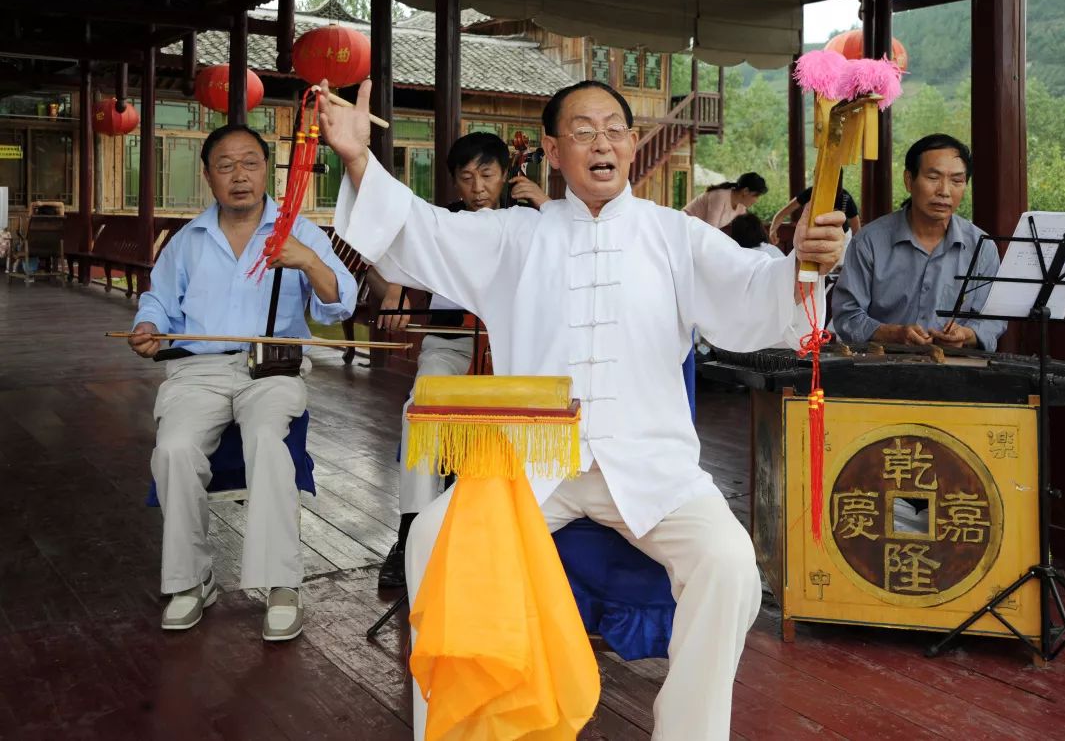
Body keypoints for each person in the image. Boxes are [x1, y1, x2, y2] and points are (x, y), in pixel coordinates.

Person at [320, 77, 845, 739]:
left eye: (614, 130)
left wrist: (805, 263)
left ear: (631, 144)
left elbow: (756, 292)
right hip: (532, 465)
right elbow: (419, 231)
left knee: (731, 564)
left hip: (651, 464)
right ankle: (452, 729)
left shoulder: (675, 237)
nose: (603, 143)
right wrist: (359, 158)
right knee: (429, 539)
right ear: (551, 150)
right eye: (583, 131)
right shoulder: (513, 237)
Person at [127, 124, 358, 641]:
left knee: (267, 441)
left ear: (265, 171)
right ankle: (191, 581)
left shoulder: (296, 229)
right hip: (198, 369)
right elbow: (159, 301)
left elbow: (340, 301)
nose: (239, 176)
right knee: (174, 450)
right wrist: (148, 327)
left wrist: (308, 260)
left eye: (250, 163)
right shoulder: (188, 240)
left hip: (271, 369)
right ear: (208, 176)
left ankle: (281, 584)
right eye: (226, 165)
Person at [373, 132, 550, 589]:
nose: (477, 189)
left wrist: (548, 207)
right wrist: (396, 290)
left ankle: (524, 529)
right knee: (421, 411)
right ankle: (411, 529)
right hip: (450, 342)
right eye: (467, 178)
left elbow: (570, 255)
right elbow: (397, 256)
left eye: (487, 175)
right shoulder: (443, 223)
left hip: (511, 347)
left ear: (507, 174)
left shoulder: (528, 220)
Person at [831, 133, 1007, 351]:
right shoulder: (869, 241)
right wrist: (892, 334)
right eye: (933, 178)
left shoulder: (982, 247)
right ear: (909, 180)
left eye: (957, 181)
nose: (944, 191)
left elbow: (993, 319)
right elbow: (847, 315)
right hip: (882, 367)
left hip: (957, 369)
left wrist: (966, 334)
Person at [768, 173, 861, 246]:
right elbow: (784, 212)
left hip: (841, 238)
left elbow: (856, 226)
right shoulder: (811, 192)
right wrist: (773, 229)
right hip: (816, 237)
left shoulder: (845, 198)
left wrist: (855, 247)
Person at [683, 171, 767, 229]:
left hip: (696, 234)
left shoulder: (741, 208)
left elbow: (746, 231)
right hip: (683, 227)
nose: (756, 200)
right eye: (756, 196)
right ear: (745, 191)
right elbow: (710, 230)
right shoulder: (720, 196)